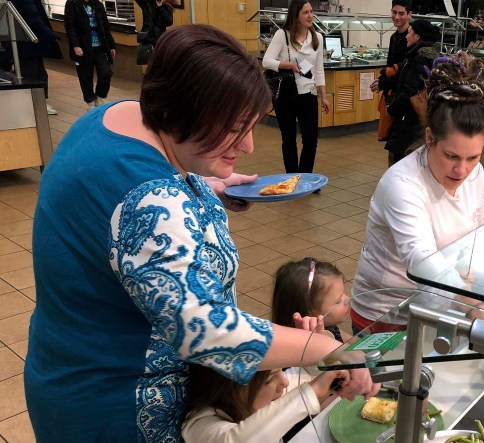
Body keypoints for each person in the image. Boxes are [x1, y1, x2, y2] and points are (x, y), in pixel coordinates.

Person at [24, 24, 376, 443]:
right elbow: (206, 330)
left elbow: (124, 198)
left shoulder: (120, 116)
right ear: (182, 112)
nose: (247, 145)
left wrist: (202, 184)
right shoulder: (152, 202)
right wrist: (328, 351)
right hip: (116, 404)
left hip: (65, 363)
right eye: (233, 129)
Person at [351, 54, 484, 332]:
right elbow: (421, 258)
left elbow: (480, 233)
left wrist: (482, 285)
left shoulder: (476, 173)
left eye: (473, 157)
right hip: (387, 314)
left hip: (442, 303)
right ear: (430, 138)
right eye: (451, 156)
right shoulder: (402, 185)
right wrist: (470, 304)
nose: (462, 170)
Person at [182, 364, 349, 442]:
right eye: (269, 379)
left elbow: (305, 378)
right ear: (228, 389)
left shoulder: (257, 397)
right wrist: (310, 393)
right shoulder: (199, 424)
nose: (283, 382)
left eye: (281, 371)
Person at [263, 0, 329, 174]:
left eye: (311, 12)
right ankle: (292, 177)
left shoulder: (318, 38)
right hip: (286, 94)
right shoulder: (282, 35)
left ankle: (305, 177)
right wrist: (289, 65)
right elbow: (266, 61)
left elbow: (318, 68)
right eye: (305, 12)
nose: (310, 16)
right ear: (296, 15)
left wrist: (324, 96)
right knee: (289, 139)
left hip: (308, 94)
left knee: (310, 139)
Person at [384, 18, 440, 166]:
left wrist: (391, 109)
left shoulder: (418, 59)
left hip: (408, 119)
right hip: (414, 119)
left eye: (409, 33)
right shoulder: (425, 57)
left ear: (417, 37)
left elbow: (409, 90)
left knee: (401, 161)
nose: (407, 36)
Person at [3, 0, 63, 115]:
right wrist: (49, 34)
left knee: (35, 72)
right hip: (29, 42)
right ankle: (36, 103)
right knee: (33, 74)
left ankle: (35, 102)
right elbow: (33, 18)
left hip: (21, 42)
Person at [272, 258, 353, 343]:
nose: (347, 298)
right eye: (339, 301)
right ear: (311, 312)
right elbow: (353, 355)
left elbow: (355, 342)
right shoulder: (304, 345)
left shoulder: (329, 326)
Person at [64, 0, 117, 110]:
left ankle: (99, 95)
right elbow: (70, 26)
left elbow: (105, 27)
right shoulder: (72, 4)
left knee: (106, 73)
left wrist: (112, 45)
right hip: (83, 47)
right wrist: (75, 45)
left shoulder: (98, 5)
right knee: (85, 76)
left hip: (100, 47)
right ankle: (90, 101)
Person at [370, 0, 412, 141]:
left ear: (409, 14)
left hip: (404, 97)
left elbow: (405, 72)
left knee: (398, 140)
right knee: (391, 137)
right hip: (393, 93)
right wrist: (381, 80)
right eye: (394, 12)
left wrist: (383, 84)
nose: (397, 17)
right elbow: (390, 66)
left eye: (401, 13)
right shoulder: (394, 37)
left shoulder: (411, 38)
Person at [134, 0, 178, 65]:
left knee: (159, 62)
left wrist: (160, 8)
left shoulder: (166, 6)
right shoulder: (147, 3)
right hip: (147, 38)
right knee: (148, 61)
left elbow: (169, 22)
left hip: (159, 38)